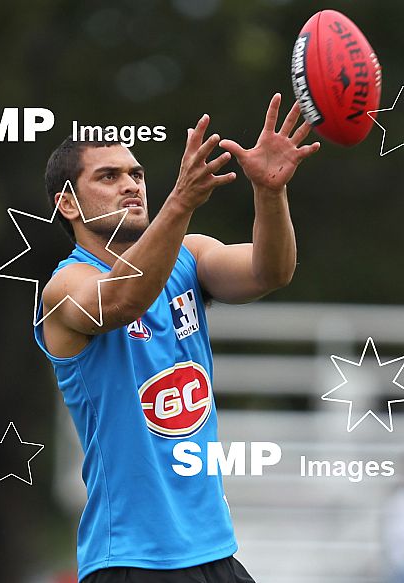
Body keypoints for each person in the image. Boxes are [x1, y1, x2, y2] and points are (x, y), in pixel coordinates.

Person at [34, 93, 320, 583]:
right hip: (130, 559)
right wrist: (181, 201)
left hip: (216, 552)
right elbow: (124, 300)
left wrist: (269, 193)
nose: (131, 186)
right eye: (108, 176)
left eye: (137, 175)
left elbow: (270, 272)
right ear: (67, 203)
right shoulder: (65, 287)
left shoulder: (189, 255)